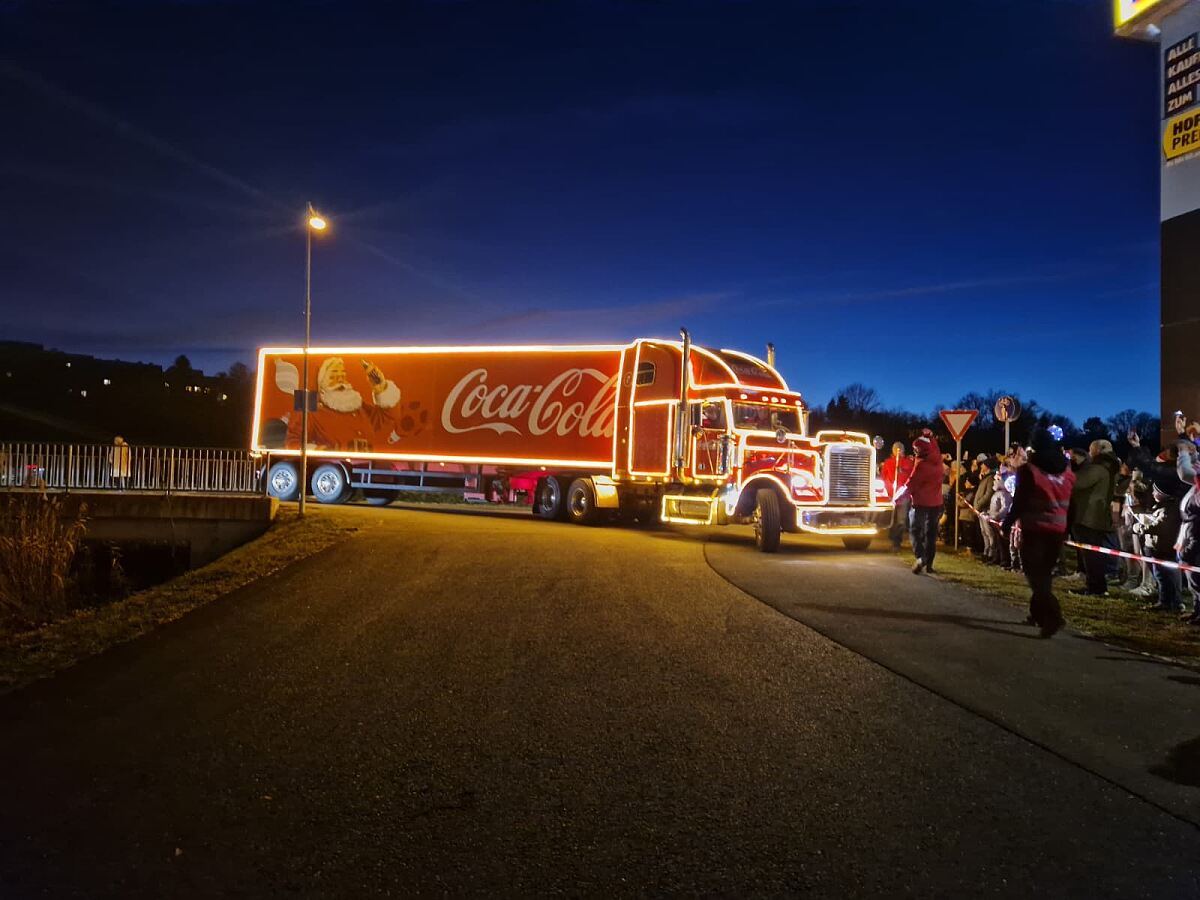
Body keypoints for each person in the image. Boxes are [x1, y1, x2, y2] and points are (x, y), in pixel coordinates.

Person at [1003, 426, 1075, 637]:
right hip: (1057, 530)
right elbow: (1073, 502)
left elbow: (1021, 500)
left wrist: (1008, 522)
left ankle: (1054, 617)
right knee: (1043, 574)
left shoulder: (1029, 470)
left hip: (1035, 529)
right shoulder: (1067, 470)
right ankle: (1037, 614)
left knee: (1036, 576)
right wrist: (1067, 529)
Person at [1068, 439, 1120, 597]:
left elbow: (1076, 483)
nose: (1090, 454)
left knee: (1091, 556)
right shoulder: (1111, 467)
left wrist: (1072, 467)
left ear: (1099, 451)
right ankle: (1097, 586)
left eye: (1091, 451)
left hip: (1088, 516)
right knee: (1093, 555)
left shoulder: (1098, 468)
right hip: (1098, 514)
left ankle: (1095, 587)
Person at [908, 429, 944, 575]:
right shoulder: (937, 457)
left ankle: (920, 557)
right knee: (931, 534)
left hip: (921, 503)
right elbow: (932, 443)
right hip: (936, 502)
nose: (915, 451)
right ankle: (929, 564)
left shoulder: (922, 465)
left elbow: (912, 483)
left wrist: (899, 496)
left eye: (916, 449)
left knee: (915, 530)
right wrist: (928, 436)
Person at [880, 441, 914, 550]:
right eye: (896, 449)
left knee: (901, 520)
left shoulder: (908, 463)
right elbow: (884, 478)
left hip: (903, 497)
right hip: (891, 496)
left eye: (900, 449)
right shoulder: (888, 462)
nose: (898, 451)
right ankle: (892, 538)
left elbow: (911, 478)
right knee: (892, 520)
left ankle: (896, 542)